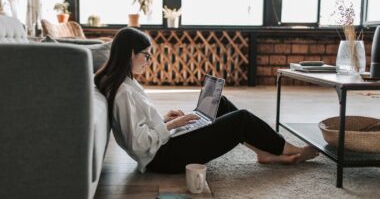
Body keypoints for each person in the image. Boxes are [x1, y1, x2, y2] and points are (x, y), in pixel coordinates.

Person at [94, 27, 319, 174]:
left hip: (163, 146)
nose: (149, 61)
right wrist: (171, 126)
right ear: (131, 53)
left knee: (220, 103)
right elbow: (138, 144)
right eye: (147, 55)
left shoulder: (126, 83)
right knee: (241, 119)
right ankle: (288, 149)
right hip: (162, 158)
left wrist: (164, 119)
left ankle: (263, 152)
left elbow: (138, 127)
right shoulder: (123, 91)